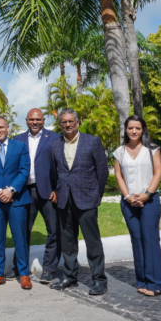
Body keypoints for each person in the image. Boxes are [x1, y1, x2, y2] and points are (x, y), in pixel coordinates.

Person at [49, 108, 109, 296]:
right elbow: (54, 172)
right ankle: (70, 276)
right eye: (64, 122)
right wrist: (57, 191)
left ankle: (99, 280)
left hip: (87, 200)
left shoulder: (92, 142)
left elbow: (103, 172)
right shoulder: (55, 144)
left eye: (71, 121)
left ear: (77, 122)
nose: (67, 125)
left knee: (93, 242)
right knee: (67, 242)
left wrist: (95, 196)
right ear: (60, 124)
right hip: (64, 200)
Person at [0, 116, 32, 290]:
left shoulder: (20, 147)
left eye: (1, 127)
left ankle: (24, 274)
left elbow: (24, 170)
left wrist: (11, 190)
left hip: (17, 200)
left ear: (8, 128)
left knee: (21, 239)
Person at [114, 116, 161, 297]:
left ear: (143, 129)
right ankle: (142, 281)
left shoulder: (152, 149)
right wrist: (128, 196)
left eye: (137, 128)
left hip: (150, 201)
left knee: (150, 241)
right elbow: (119, 176)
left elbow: (158, 172)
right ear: (126, 130)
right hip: (129, 203)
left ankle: (156, 284)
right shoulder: (119, 151)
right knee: (136, 240)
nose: (133, 131)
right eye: (130, 128)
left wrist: (147, 194)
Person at [11, 108, 61, 284]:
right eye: (31, 119)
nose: (35, 122)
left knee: (54, 231)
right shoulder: (17, 140)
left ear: (43, 120)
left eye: (38, 119)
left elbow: (60, 166)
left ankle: (49, 268)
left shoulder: (54, 138)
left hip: (48, 192)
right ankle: (19, 267)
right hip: (24, 192)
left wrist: (57, 189)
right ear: (26, 120)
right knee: (22, 230)